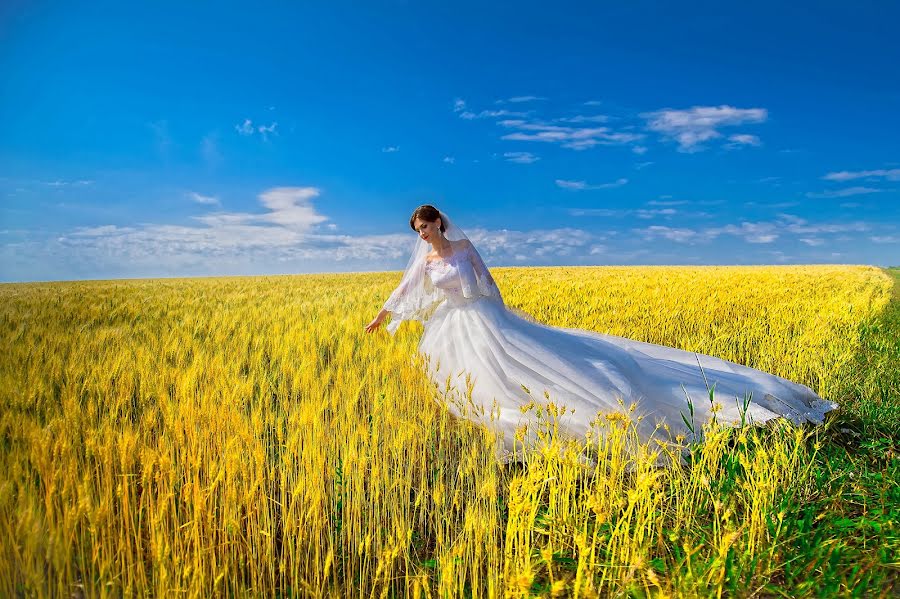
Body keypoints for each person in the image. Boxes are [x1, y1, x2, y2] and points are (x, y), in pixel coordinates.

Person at [364, 205, 838, 464]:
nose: (422, 235)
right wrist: (384, 315)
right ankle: (502, 412)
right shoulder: (425, 261)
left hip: (485, 316)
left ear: (437, 222)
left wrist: (499, 315)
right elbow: (406, 288)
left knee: (524, 361)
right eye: (416, 231)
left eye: (424, 227)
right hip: (454, 323)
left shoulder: (464, 247)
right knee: (479, 377)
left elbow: (488, 282)